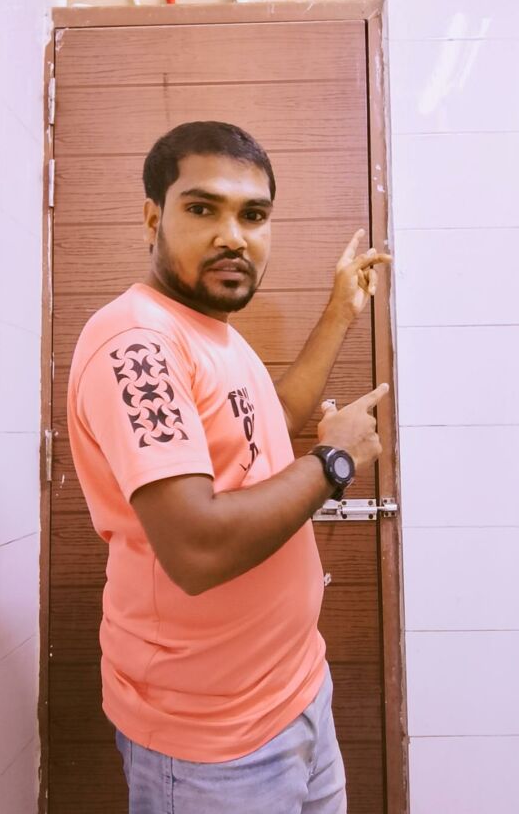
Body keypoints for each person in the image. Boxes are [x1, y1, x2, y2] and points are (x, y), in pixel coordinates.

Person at [67, 121, 390, 814]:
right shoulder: (138, 345)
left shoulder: (209, 328)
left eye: (253, 215)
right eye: (202, 208)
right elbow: (196, 547)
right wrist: (333, 461)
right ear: (152, 218)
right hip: (213, 743)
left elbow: (268, 417)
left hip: (297, 690)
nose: (233, 236)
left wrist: (340, 312)